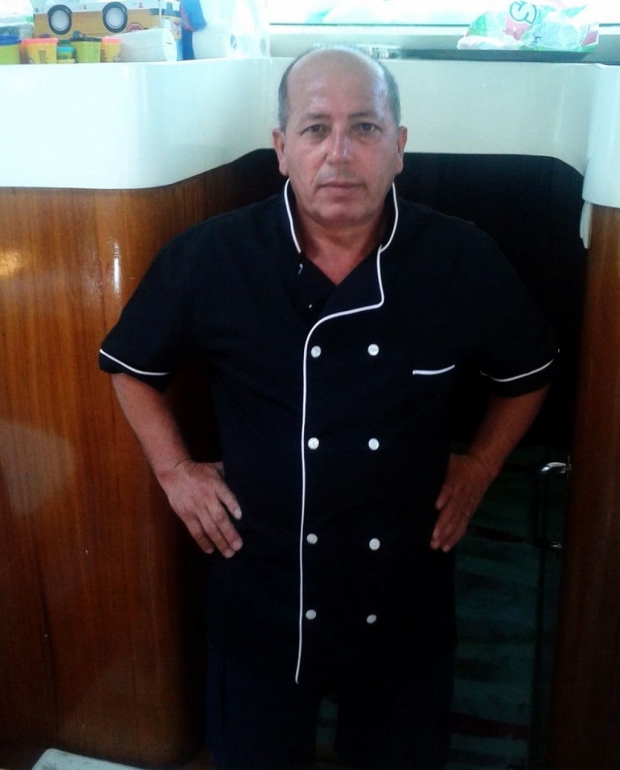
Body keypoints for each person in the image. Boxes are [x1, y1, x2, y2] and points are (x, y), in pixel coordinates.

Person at [99, 46, 558, 770]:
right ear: (281, 149)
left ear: (398, 147)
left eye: (364, 128)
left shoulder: (460, 258)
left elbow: (526, 375)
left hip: (403, 588)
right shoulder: (216, 256)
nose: (339, 153)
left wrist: (478, 468)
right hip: (262, 582)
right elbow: (131, 367)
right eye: (315, 128)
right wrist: (174, 470)